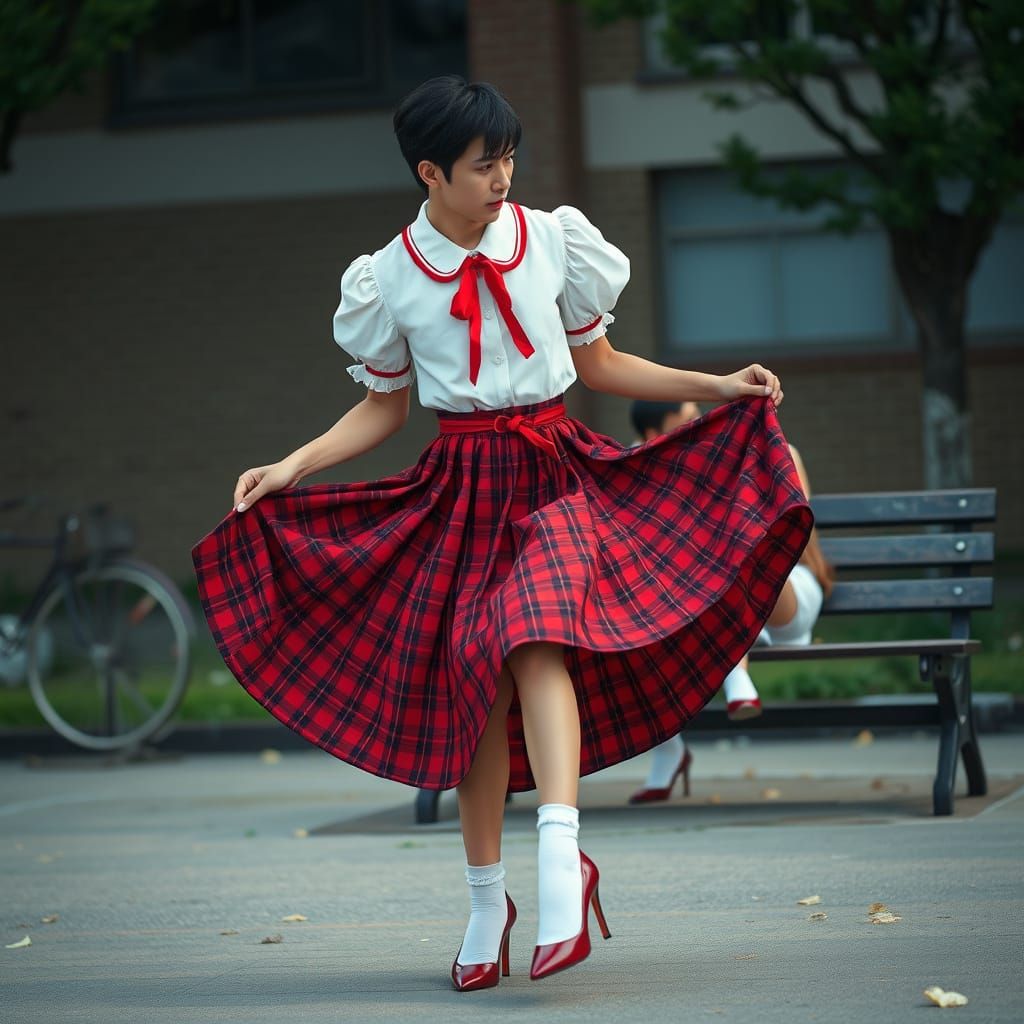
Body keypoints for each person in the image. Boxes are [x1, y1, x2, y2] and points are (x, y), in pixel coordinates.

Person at [191, 76, 812, 990]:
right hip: (464, 487)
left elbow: (599, 362)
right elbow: (383, 408)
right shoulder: (388, 276)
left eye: (509, 158)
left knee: (534, 640)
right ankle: (489, 903)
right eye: (485, 165)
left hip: (557, 471)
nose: (504, 177)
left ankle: (562, 863)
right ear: (430, 172)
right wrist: (294, 465)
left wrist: (717, 387)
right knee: (474, 689)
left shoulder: (552, 238)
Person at [626, 399, 833, 805]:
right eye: (684, 421)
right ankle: (671, 750)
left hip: (785, 588)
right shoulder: (652, 466)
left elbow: (791, 533)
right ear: (653, 436)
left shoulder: (780, 453)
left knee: (728, 552)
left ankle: (737, 674)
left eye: (697, 416)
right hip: (704, 606)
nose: (699, 424)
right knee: (631, 619)